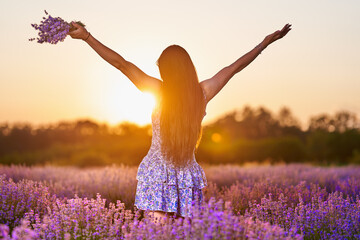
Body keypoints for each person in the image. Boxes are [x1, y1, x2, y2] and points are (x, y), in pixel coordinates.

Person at [68, 22, 291, 223]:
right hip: (187, 177)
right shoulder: (202, 93)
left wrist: (87, 37)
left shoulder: (158, 90)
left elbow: (121, 64)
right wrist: (264, 44)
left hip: (157, 174)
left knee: (156, 234)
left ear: (167, 70)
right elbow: (234, 68)